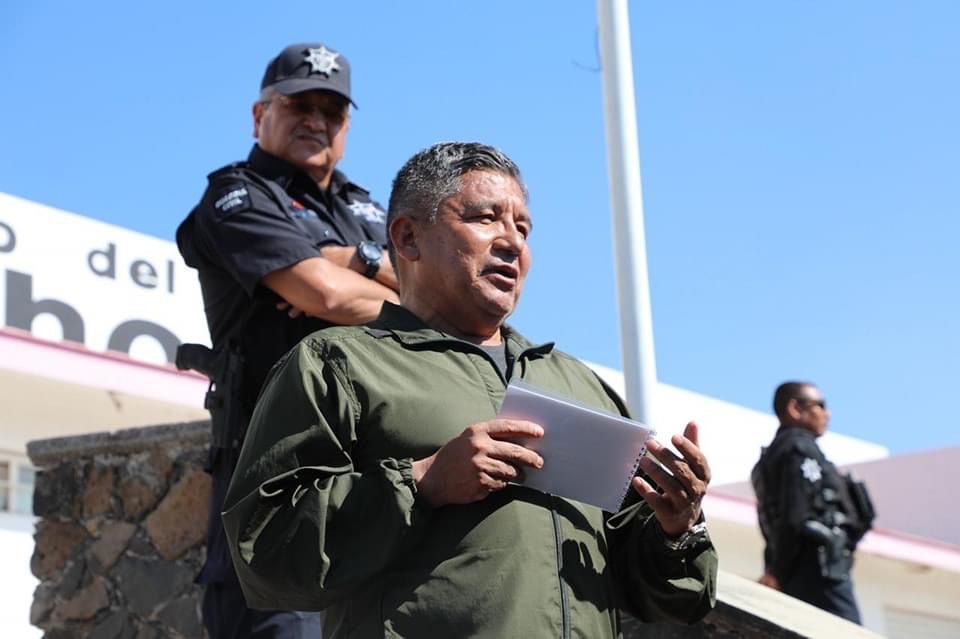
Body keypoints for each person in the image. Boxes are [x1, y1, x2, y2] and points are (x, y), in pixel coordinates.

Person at [221, 142, 718, 638]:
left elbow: (665, 595)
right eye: (485, 218)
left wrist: (677, 527)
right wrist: (422, 483)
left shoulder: (580, 386)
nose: (512, 242)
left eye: (523, 228)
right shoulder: (338, 365)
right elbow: (264, 553)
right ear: (408, 238)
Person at [176, 42, 399, 638]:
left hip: (375, 476)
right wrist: (380, 286)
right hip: (279, 483)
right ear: (260, 115)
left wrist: (356, 259)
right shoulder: (238, 195)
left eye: (332, 111)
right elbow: (326, 295)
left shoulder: (367, 210)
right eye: (299, 105)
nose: (316, 121)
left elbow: (437, 293)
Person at [751, 382, 875, 624]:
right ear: (795, 408)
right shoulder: (797, 447)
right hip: (817, 573)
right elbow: (795, 515)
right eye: (820, 405)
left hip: (803, 571)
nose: (827, 413)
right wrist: (777, 573)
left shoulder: (781, 451)